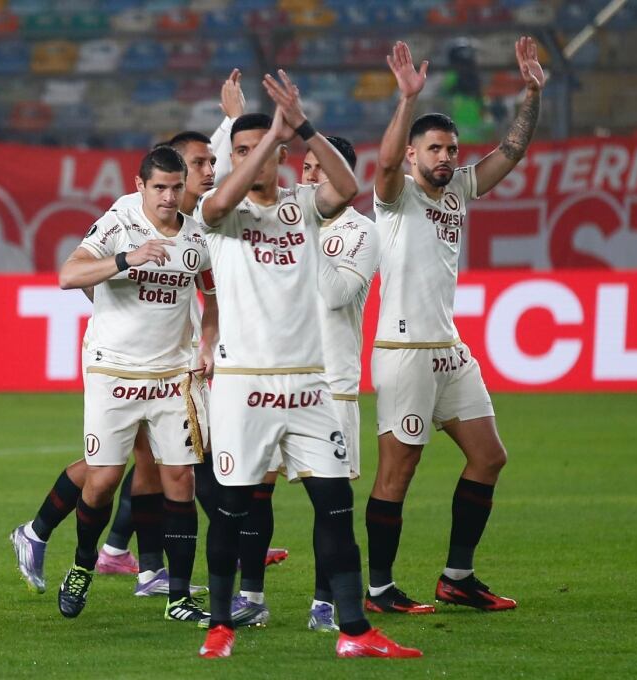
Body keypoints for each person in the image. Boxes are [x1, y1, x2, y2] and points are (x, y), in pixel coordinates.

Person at [193, 70, 419, 660]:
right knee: (232, 510)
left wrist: (303, 126)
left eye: (262, 150)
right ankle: (221, 624)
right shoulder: (219, 216)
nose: (253, 159)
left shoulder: (301, 206)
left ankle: (354, 631)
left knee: (335, 508)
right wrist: (269, 133)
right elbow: (218, 200)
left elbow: (345, 187)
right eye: (239, 152)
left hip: (311, 386)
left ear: (285, 157)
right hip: (244, 385)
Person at [364, 38, 544, 614]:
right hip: (405, 349)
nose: (446, 156)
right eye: (434, 148)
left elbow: (511, 152)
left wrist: (531, 93)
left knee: (489, 456)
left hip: (448, 347)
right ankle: (378, 588)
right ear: (415, 154)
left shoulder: (458, 190)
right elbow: (386, 164)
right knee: (400, 468)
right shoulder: (394, 198)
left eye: (451, 148)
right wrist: (406, 102)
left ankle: (457, 577)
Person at [11, 131, 222, 601]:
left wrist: (207, 344)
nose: (168, 197)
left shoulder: (196, 234)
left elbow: (213, 295)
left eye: (174, 187)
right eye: (158, 188)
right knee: (104, 478)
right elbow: (69, 274)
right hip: (115, 369)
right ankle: (83, 564)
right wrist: (127, 260)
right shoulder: (120, 221)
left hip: (172, 375)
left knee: (177, 477)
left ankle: (172, 591)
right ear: (140, 185)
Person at [226, 136, 380, 633]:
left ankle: (324, 604)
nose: (310, 177)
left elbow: (336, 295)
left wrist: (305, 234)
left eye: (321, 170)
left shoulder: (361, 232)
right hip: (274, 378)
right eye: (307, 167)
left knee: (329, 505)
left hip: (331, 383)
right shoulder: (278, 218)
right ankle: (251, 597)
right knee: (256, 493)